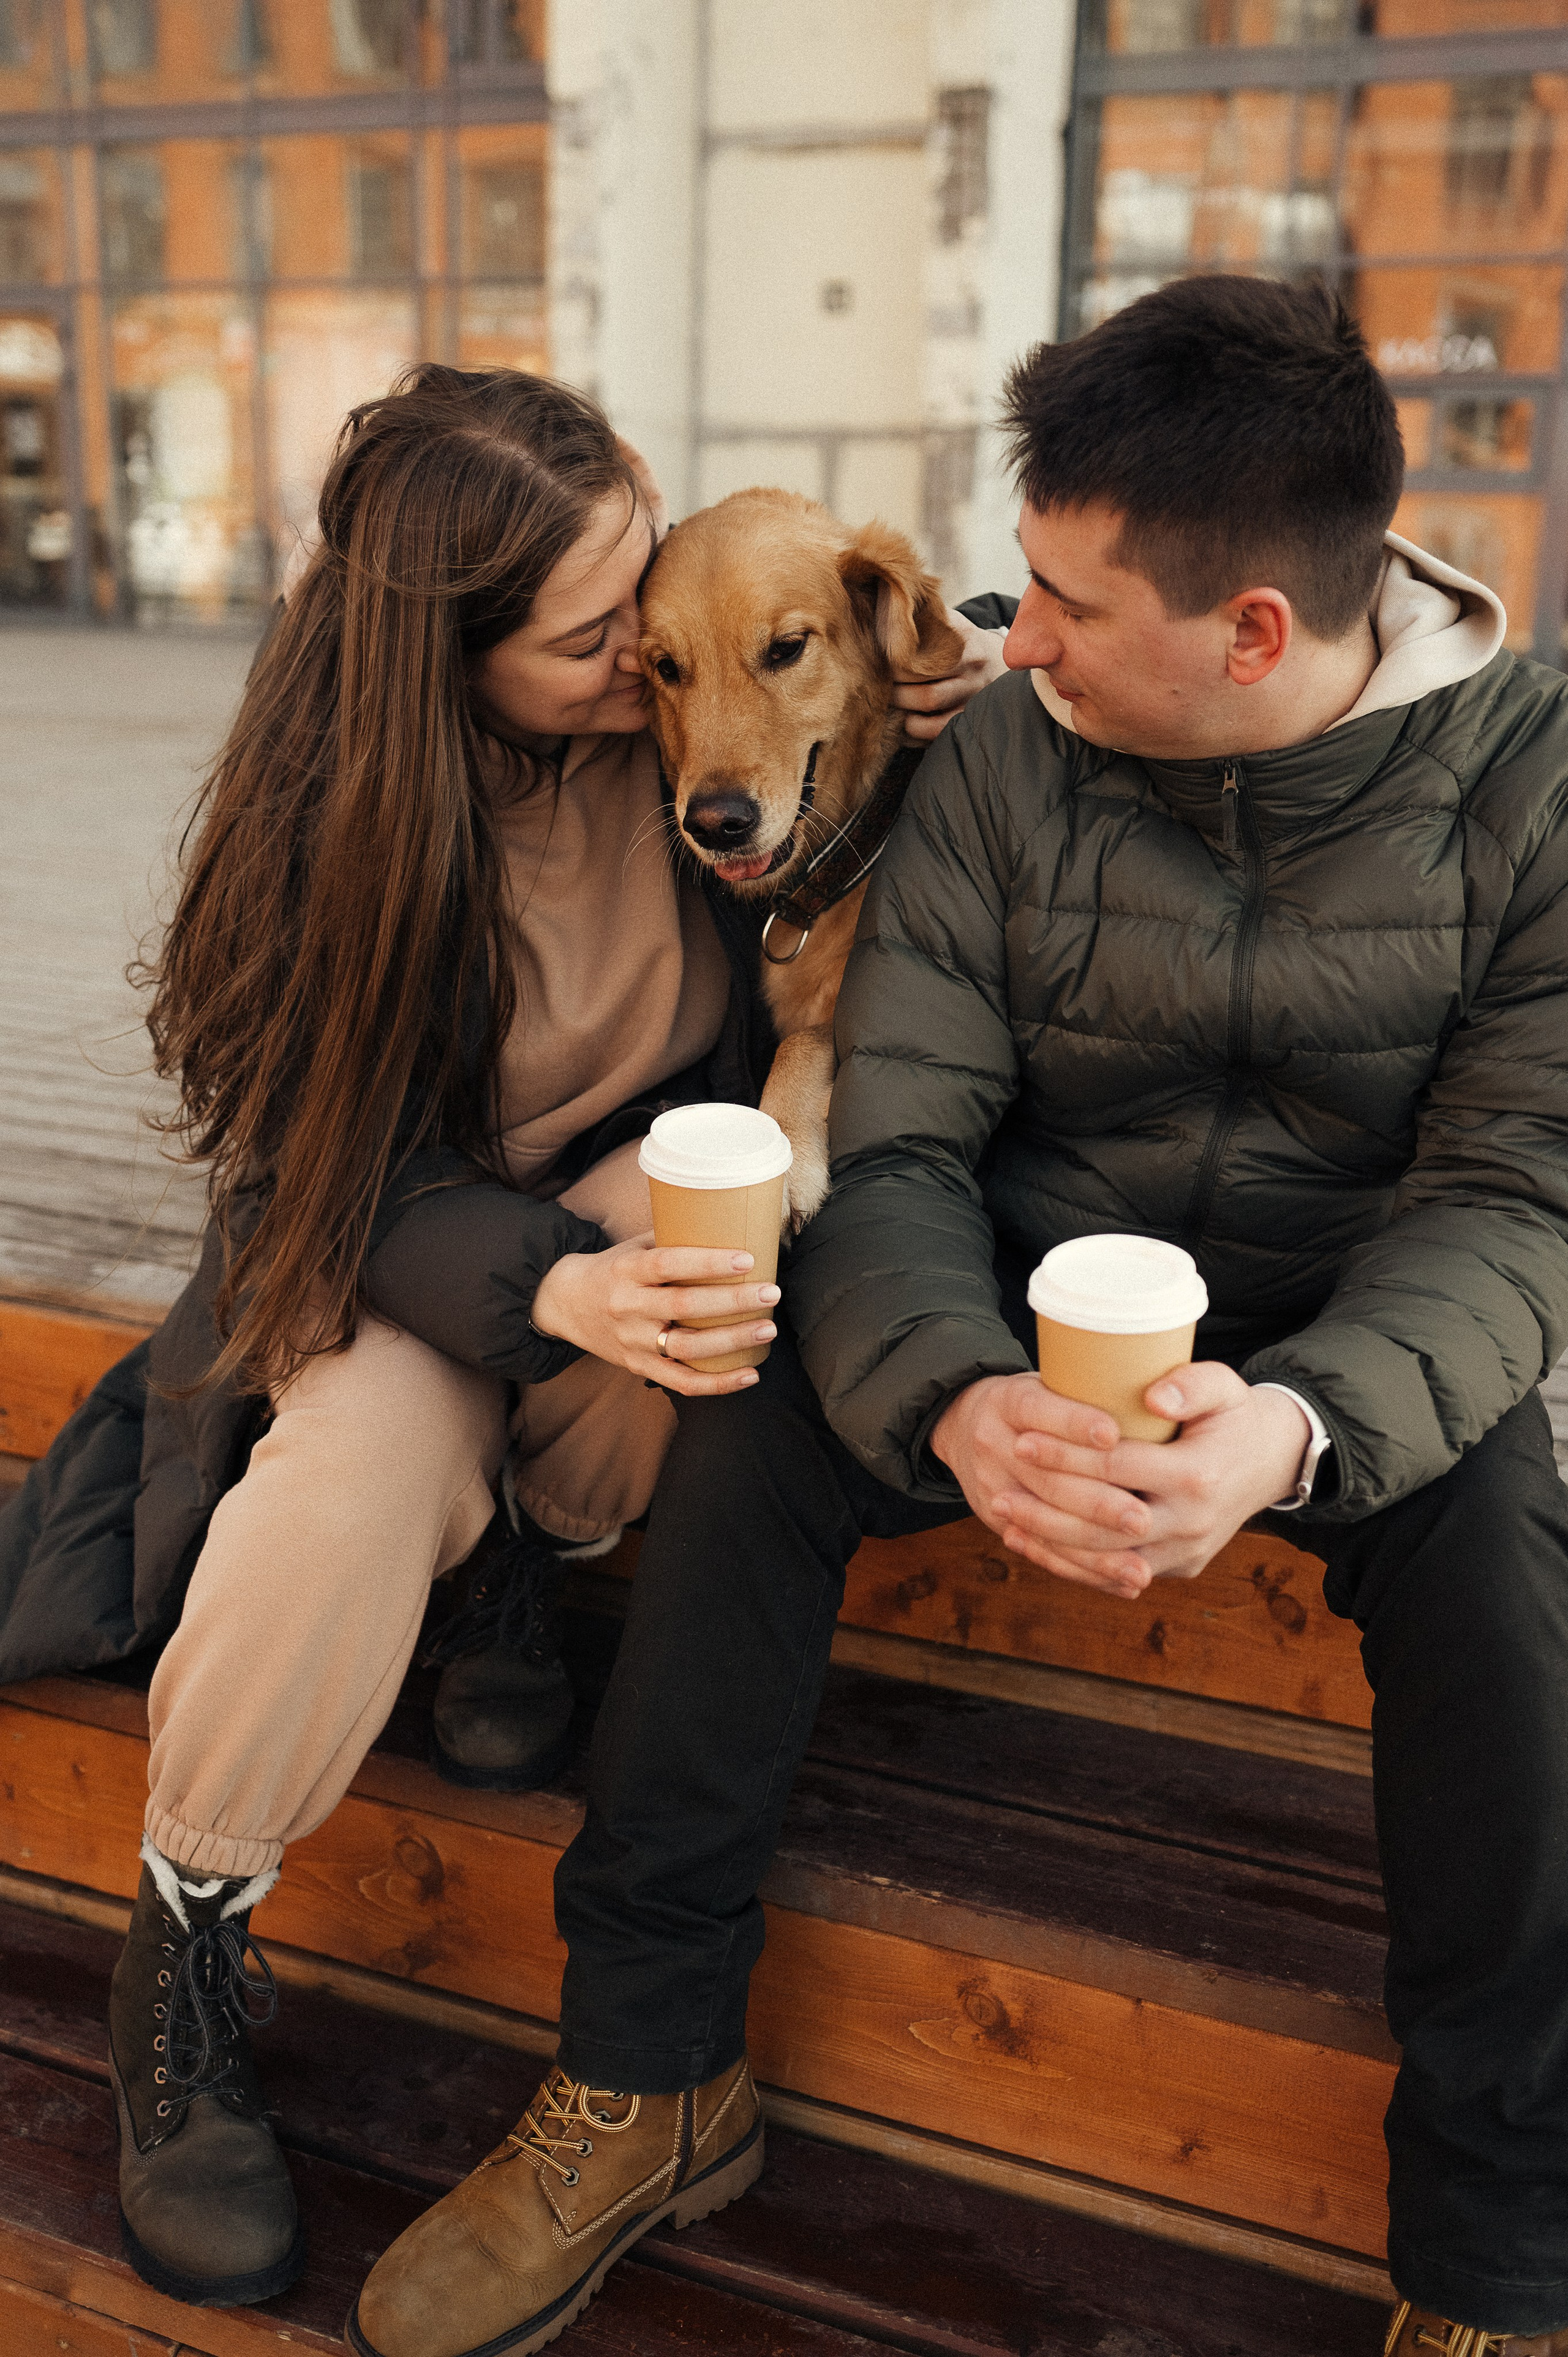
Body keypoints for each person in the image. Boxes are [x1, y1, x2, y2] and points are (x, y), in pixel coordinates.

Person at [351, 278, 1568, 2357]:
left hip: (1342, 1332)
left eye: (1066, 603)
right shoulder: (1007, 754)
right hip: (1017, 1285)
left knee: (1511, 1570)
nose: (1003, 638)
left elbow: (1517, 1195)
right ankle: (648, 2075)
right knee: (749, 1418)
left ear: (1253, 633)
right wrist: (960, 1395)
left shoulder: (1532, 781)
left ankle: (1495, 2261)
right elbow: (896, 1143)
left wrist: (1297, 1429)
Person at [0, 363, 1002, 2312]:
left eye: (641, 575)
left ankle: (519, 1578)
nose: (649, 650)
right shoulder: (331, 824)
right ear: (451, 661)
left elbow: (802, 653)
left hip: (616, 1232)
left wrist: (920, 669)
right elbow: (306, 1184)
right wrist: (544, 1284)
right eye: (594, 634)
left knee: (718, 1255)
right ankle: (188, 1943)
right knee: (362, 1467)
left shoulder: (685, 728)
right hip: (395, 1265)